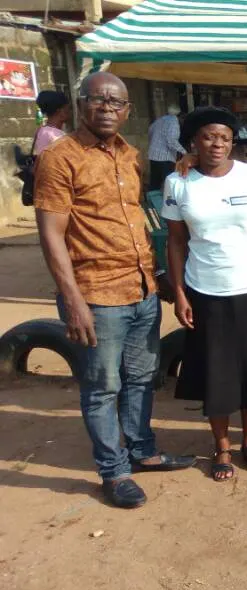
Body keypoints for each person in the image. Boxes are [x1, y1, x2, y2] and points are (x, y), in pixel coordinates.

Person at [33, 72, 195, 509]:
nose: (107, 108)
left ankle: (142, 451)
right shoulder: (60, 157)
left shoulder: (130, 154)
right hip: (95, 294)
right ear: (80, 103)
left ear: (127, 110)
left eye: (116, 102)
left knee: (141, 378)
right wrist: (72, 299)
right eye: (98, 99)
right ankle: (114, 470)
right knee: (102, 387)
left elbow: (133, 221)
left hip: (141, 288)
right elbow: (51, 234)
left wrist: (157, 274)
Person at [161, 107, 247, 482]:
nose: (218, 144)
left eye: (225, 138)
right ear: (193, 141)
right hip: (205, 290)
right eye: (209, 136)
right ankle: (222, 446)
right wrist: (180, 293)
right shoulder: (178, 183)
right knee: (217, 374)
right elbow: (176, 242)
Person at [148, 103, 186, 190]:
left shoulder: (159, 120)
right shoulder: (174, 121)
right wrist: (184, 152)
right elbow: (171, 141)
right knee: (169, 184)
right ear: (179, 115)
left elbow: (150, 131)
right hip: (165, 158)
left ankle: (153, 198)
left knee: (155, 184)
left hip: (153, 156)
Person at [33, 90, 71, 154]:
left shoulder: (41, 130)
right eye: (68, 108)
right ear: (60, 112)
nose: (70, 112)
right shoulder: (57, 136)